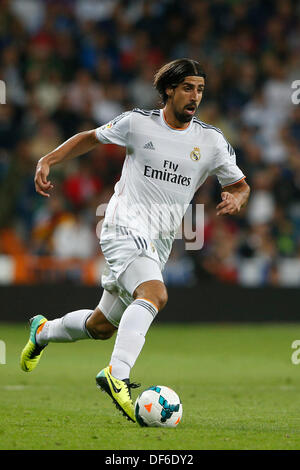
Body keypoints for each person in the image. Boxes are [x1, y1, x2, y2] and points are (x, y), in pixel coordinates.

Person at [20, 58, 250, 422]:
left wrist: (237, 197)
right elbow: (89, 139)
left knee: (101, 326)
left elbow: (239, 184)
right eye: (188, 87)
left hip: (157, 244)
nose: (195, 96)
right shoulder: (138, 123)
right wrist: (48, 159)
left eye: (201, 90)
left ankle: (43, 331)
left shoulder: (211, 141)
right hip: (121, 227)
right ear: (170, 90)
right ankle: (117, 375)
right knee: (155, 294)